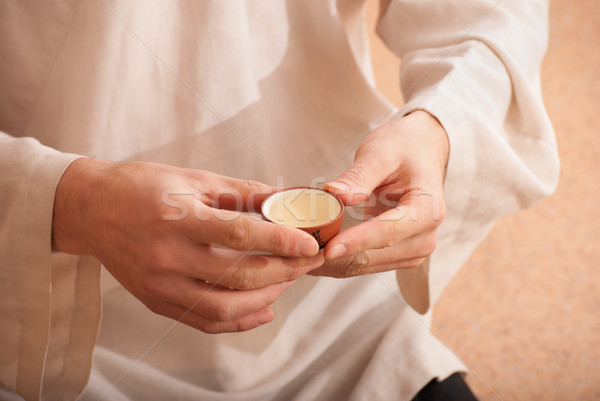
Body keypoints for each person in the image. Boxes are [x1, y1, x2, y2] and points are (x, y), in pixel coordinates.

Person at [0, 1, 559, 400]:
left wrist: (438, 126)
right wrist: (69, 202)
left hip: (340, 326)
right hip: (53, 329)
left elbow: (486, 12)